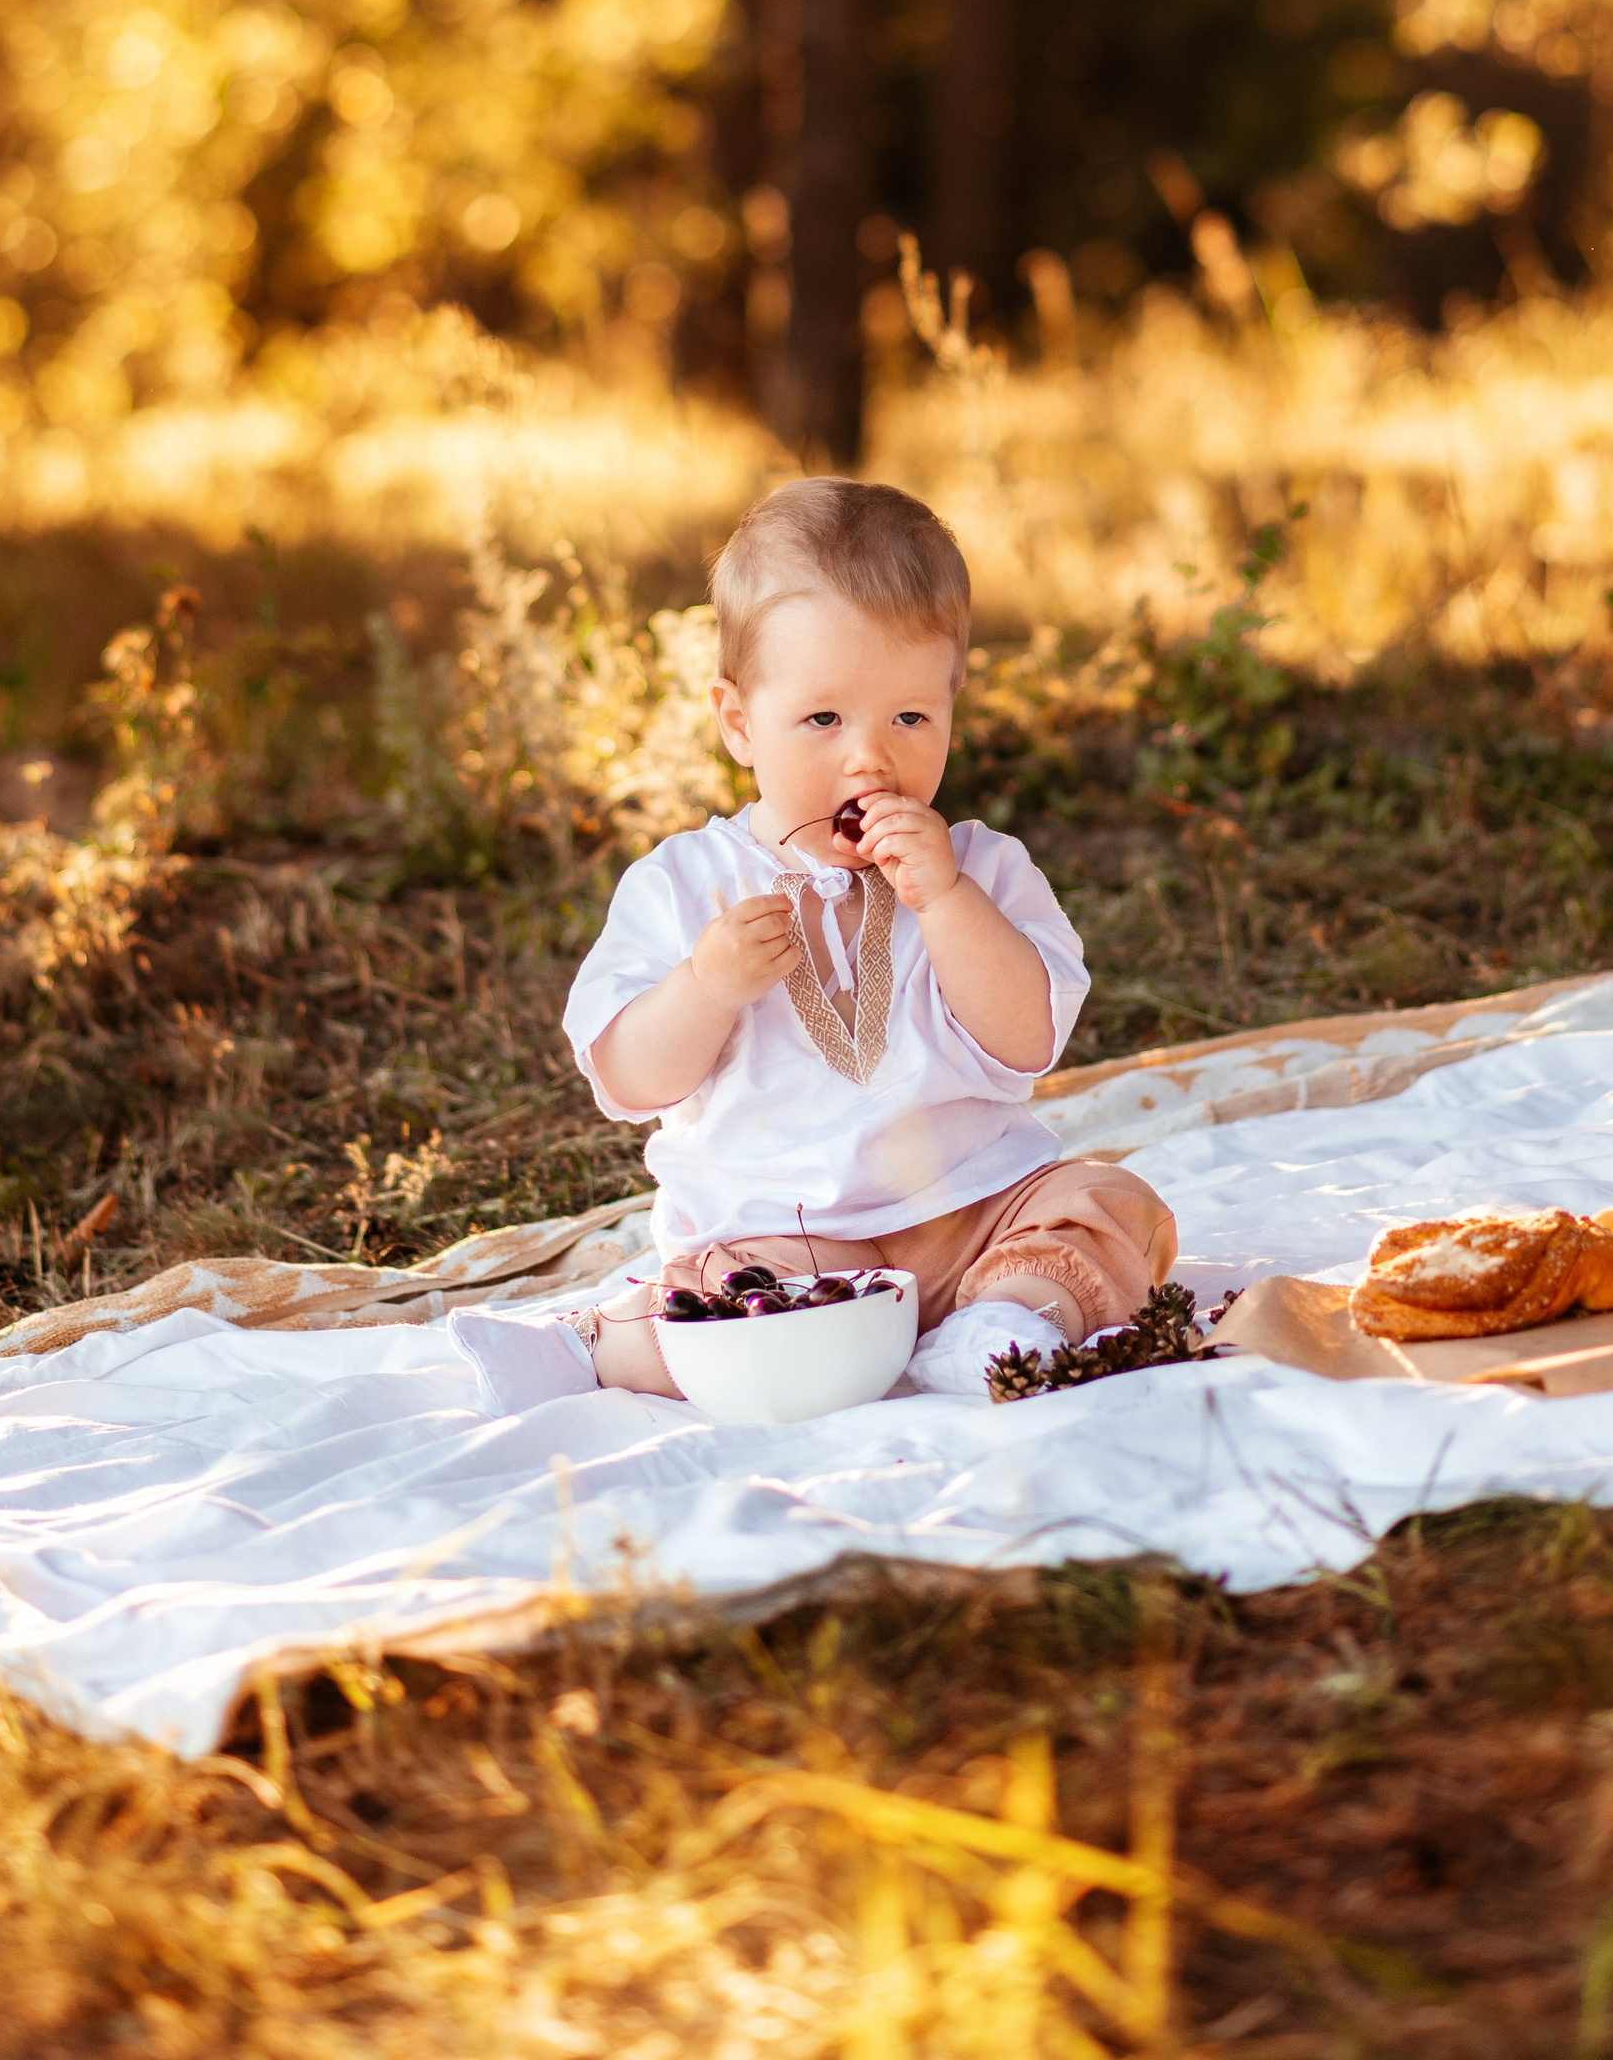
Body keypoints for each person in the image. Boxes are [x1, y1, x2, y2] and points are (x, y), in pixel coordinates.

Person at [447, 476, 1174, 1415]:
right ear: (740, 723)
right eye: (824, 720)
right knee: (725, 1308)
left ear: (953, 708)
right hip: (782, 1238)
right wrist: (706, 988)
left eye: (909, 718)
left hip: (973, 1214)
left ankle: (1003, 1325)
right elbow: (627, 1079)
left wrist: (946, 902)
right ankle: (603, 1348)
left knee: (1113, 1209)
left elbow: (1026, 1040)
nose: (869, 758)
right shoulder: (684, 885)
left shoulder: (981, 872)